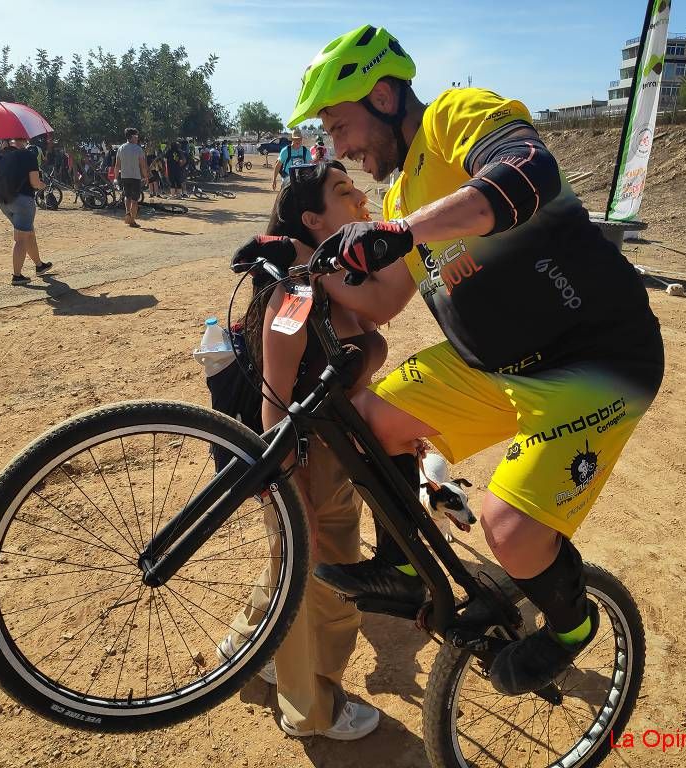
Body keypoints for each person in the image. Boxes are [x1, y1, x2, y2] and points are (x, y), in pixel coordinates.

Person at [243, 24, 665, 697]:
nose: (340, 147)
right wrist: (301, 260)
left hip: (592, 360)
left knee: (508, 530)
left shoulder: (452, 119)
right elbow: (381, 300)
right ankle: (404, 566)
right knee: (367, 419)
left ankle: (571, 626)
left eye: (341, 125)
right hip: (489, 366)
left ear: (383, 96)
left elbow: (530, 170)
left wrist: (399, 231)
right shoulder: (401, 193)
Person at [226, 160, 386, 740]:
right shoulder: (296, 288)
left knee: (288, 565)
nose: (361, 197)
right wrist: (292, 490)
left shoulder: (329, 277)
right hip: (304, 458)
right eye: (344, 192)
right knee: (324, 584)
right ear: (315, 219)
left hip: (324, 454)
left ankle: (250, 645)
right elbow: (275, 395)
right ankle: (313, 709)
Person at [0, 137, 53, 284]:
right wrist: (42, 186)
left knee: (28, 233)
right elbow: (34, 182)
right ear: (25, 138)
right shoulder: (28, 155)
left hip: (4, 202)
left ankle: (39, 266)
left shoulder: (1, 155)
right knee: (21, 239)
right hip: (22, 202)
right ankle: (17, 275)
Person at [114, 127, 148, 228]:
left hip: (124, 176)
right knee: (134, 200)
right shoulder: (138, 149)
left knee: (127, 196)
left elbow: (117, 165)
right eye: (136, 136)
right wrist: (146, 177)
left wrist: (115, 178)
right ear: (132, 137)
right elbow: (142, 165)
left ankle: (127, 212)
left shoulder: (121, 148)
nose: (137, 138)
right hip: (135, 177)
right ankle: (132, 220)